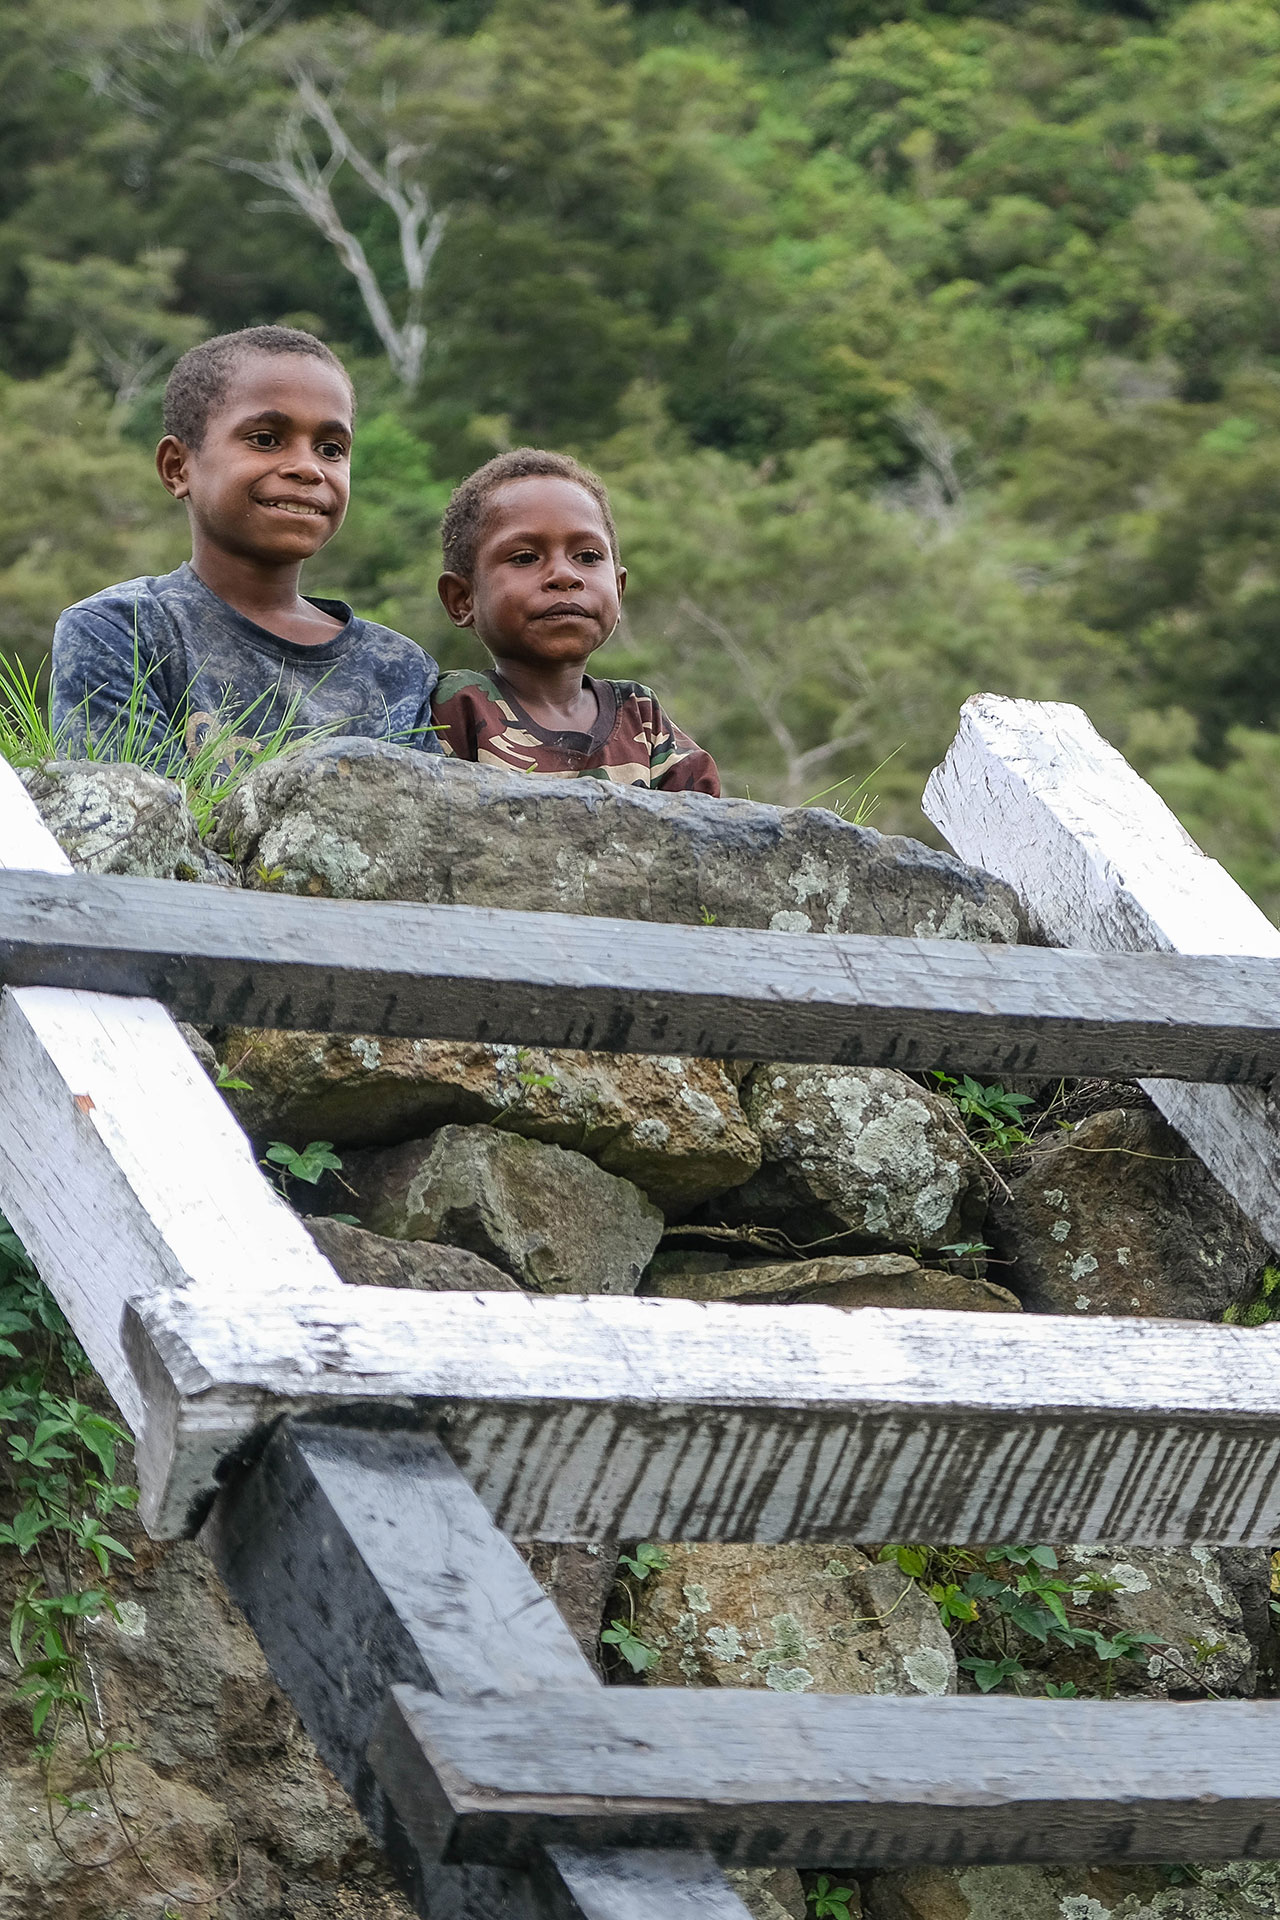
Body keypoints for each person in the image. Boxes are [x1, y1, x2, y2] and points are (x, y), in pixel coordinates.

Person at [52, 325, 441, 767]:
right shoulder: (122, 631)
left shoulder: (399, 668)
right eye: (265, 440)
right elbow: (137, 821)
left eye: (331, 449)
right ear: (178, 467)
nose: (308, 468)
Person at [432, 448, 719, 794]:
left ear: (618, 586)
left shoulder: (642, 719)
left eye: (587, 556)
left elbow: (708, 825)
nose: (565, 575)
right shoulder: (459, 706)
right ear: (462, 599)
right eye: (525, 558)